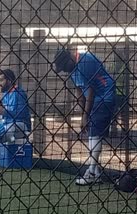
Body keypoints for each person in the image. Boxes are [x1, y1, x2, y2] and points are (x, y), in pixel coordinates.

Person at [54, 47, 115, 185]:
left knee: (94, 134)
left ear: (69, 58)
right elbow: (80, 94)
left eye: (64, 66)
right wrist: (83, 115)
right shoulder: (72, 70)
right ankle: (96, 172)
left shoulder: (85, 61)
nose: (64, 70)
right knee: (93, 134)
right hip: (94, 99)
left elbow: (91, 93)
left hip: (104, 96)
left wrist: (85, 117)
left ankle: (92, 172)